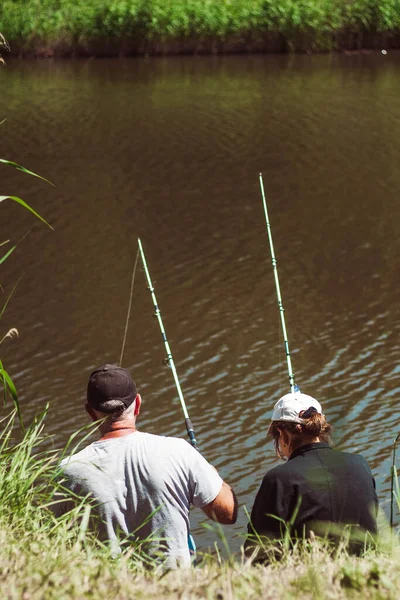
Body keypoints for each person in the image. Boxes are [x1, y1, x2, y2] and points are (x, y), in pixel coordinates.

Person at [54, 364, 237, 568]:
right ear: (138, 403)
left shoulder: (68, 471)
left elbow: (53, 543)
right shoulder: (178, 450)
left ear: (90, 412)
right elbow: (228, 514)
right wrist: (211, 475)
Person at [245, 391, 378, 560]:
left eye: (276, 438)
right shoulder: (359, 464)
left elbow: (257, 551)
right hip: (367, 569)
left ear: (282, 434)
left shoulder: (279, 478)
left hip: (314, 577)